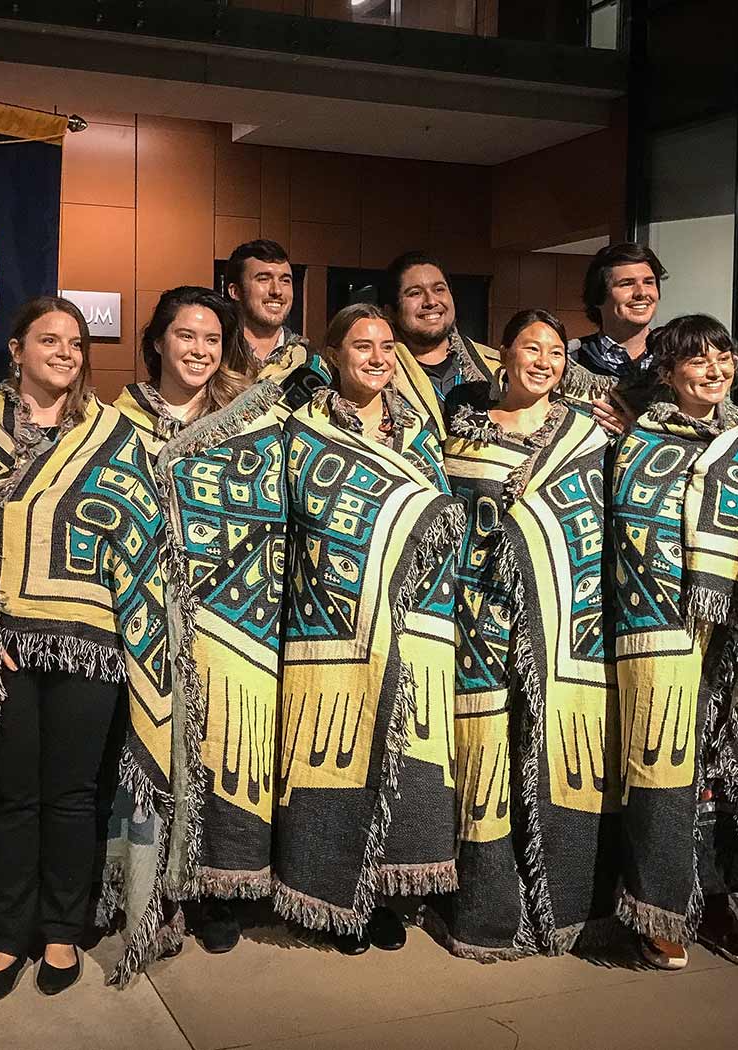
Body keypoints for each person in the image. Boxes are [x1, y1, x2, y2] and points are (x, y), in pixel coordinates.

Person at [0, 296, 175, 1000]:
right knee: (13, 796)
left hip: (93, 647)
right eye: (50, 340)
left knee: (76, 797)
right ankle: (7, 935)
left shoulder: (112, 435)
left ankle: (61, 930)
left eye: (75, 342)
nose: (65, 353)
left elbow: (141, 535)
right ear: (16, 350)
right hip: (2, 648)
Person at [610, 314, 738, 973]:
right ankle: (660, 911)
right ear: (669, 370)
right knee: (666, 773)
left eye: (724, 357)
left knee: (726, 780)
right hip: (665, 632)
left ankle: (721, 906)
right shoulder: (641, 442)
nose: (714, 369)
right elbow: (631, 531)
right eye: (698, 359)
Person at [274, 302, 464, 955]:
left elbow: (447, 524)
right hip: (336, 628)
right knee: (337, 764)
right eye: (363, 345)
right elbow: (302, 518)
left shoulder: (421, 434)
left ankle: (385, 895)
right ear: (332, 356)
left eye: (387, 346)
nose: (379, 357)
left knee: (403, 769)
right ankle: (329, 895)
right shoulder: (302, 431)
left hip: (416, 629)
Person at [434, 309, 619, 960]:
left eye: (554, 351)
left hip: (564, 622)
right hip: (477, 619)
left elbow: (607, 525)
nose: (542, 360)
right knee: (485, 756)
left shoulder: (586, 435)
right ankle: (487, 907)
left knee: (553, 752)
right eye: (529, 347)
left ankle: (565, 903)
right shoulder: (462, 429)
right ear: (502, 354)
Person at [117, 286, 288, 956]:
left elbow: (272, 518)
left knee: (221, 757)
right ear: (157, 340)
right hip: (142, 615)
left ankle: (215, 889)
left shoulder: (250, 422)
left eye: (213, 340)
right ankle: (150, 892)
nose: (198, 350)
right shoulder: (115, 419)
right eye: (186, 336)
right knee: (147, 755)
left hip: (228, 619)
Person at [382, 251, 500, 436]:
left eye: (439, 289)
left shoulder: (496, 366)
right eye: (415, 293)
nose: (430, 301)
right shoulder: (377, 374)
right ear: (390, 312)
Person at [565, 242, 668, 434]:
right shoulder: (568, 363)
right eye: (627, 284)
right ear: (598, 297)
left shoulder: (678, 360)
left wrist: (636, 432)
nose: (641, 293)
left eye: (649, 282)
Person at [225, 238, 329, 410]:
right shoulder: (215, 355)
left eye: (285, 280)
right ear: (235, 291)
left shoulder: (311, 363)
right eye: (264, 279)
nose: (277, 291)